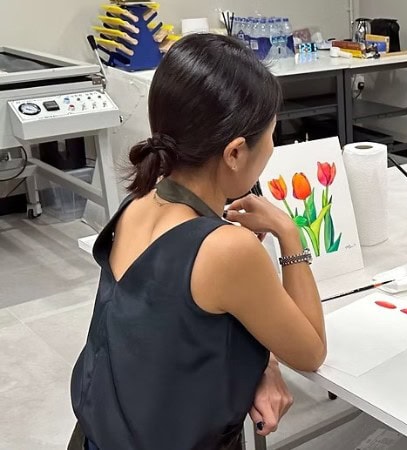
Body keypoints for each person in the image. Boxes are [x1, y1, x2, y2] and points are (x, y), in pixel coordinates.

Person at [68, 34, 326, 450]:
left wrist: (262, 363)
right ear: (235, 153)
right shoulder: (227, 249)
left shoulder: (139, 203)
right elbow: (311, 351)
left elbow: (171, 335)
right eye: (272, 133)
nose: (273, 146)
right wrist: (288, 232)